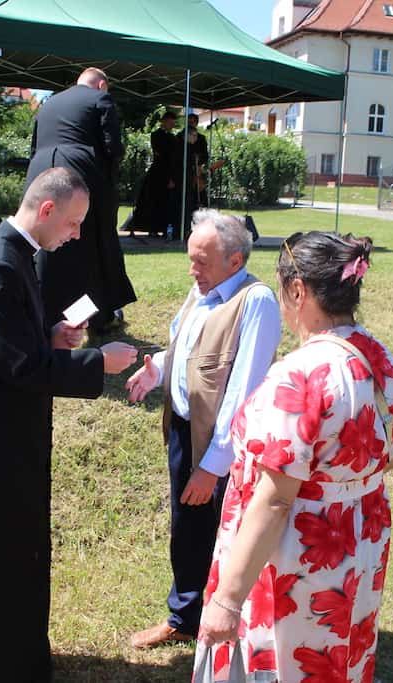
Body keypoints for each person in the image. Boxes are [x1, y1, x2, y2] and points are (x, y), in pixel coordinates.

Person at [0, 167, 138, 682]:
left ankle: (11, 655)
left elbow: (13, 342)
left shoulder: (16, 254)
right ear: (46, 210)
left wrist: (52, 335)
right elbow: (18, 366)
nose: (77, 234)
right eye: (73, 222)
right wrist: (98, 362)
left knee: (13, 541)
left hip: (5, 423)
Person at [195, 231, 393, 682]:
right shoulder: (378, 356)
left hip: (299, 550)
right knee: (338, 654)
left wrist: (227, 600)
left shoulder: (300, 377)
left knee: (286, 660)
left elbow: (276, 499)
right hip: (358, 541)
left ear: (298, 291)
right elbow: (390, 453)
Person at [126, 209, 282, 649]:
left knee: (224, 534)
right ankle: (185, 618)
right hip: (184, 430)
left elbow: (243, 391)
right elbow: (187, 347)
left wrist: (212, 466)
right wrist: (156, 371)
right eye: (191, 258)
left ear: (235, 260)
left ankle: (229, 625)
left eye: (202, 261)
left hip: (220, 444)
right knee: (187, 529)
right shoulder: (204, 289)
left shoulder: (256, 302)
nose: (192, 269)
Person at [26, 67, 136, 334]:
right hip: (80, 169)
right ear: (101, 85)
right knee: (93, 244)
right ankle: (99, 316)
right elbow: (112, 147)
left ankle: (41, 313)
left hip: (40, 170)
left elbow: (34, 146)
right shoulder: (100, 98)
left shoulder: (49, 103)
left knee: (43, 243)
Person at [129, 110, 178, 237]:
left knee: (165, 202)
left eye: (173, 123)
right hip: (158, 172)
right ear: (164, 121)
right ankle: (152, 228)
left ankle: (163, 228)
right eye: (170, 122)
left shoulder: (173, 138)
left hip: (169, 171)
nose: (172, 125)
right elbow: (161, 153)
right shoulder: (156, 135)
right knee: (153, 200)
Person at [173, 113, 209, 231]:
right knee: (183, 201)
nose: (190, 123)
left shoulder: (201, 138)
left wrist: (199, 164)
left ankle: (199, 225)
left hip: (196, 173)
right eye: (189, 121)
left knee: (199, 199)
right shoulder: (179, 137)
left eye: (193, 122)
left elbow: (205, 156)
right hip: (182, 174)